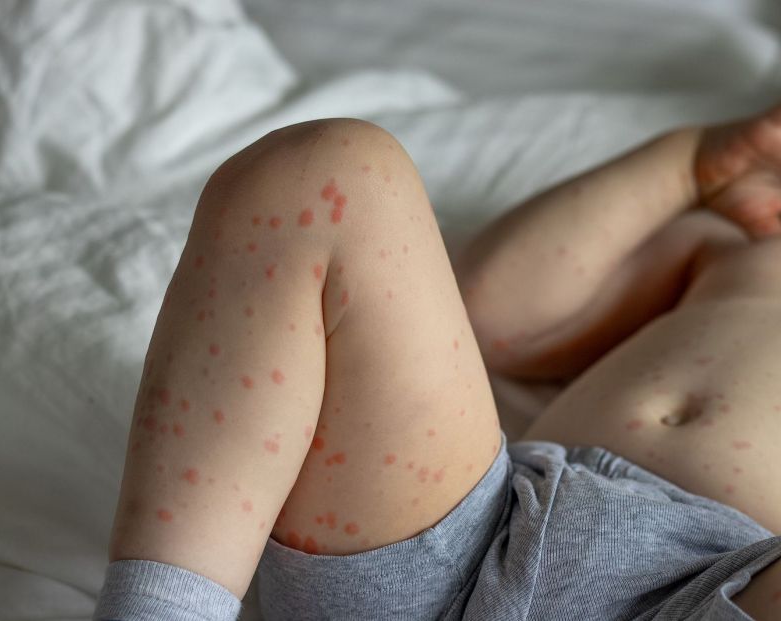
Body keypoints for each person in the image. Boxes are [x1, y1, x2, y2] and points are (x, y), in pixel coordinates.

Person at [92, 106, 781, 620]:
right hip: (482, 538)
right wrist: (688, 166)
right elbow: (495, 314)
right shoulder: (745, 243)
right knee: (327, 172)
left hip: (709, 587)